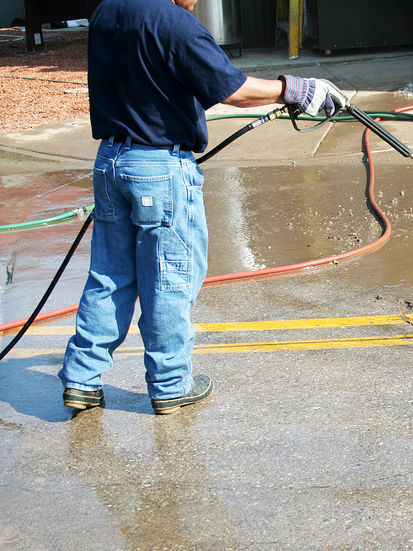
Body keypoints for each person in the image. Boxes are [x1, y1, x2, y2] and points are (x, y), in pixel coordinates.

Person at [59, 0, 346, 415]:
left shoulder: (108, 10)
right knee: (169, 280)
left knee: (110, 276)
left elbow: (154, 78)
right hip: (159, 168)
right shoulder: (173, 21)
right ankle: (171, 384)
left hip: (111, 162)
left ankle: (81, 379)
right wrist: (296, 89)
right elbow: (234, 90)